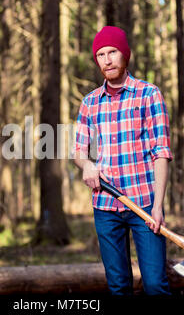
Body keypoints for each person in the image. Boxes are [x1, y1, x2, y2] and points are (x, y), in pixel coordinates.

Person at [73, 26, 173, 295]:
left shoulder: (149, 94)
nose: (107, 60)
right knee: (118, 287)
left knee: (155, 284)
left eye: (113, 52)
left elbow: (161, 153)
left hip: (144, 205)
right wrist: (87, 165)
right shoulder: (90, 102)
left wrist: (158, 205)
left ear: (124, 54)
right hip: (105, 206)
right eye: (101, 54)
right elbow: (79, 152)